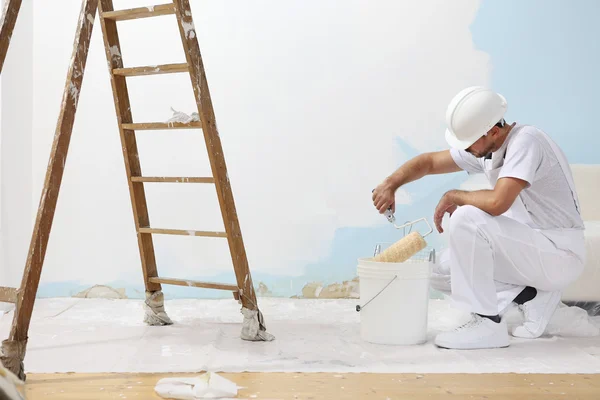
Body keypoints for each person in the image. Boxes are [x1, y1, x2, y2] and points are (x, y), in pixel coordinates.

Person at [372, 86, 585, 350]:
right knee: (439, 271)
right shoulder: (486, 148)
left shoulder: (527, 141)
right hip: (529, 250)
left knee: (467, 217)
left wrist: (456, 196)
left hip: (558, 254)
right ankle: (529, 296)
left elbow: (497, 202)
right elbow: (428, 162)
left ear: (493, 131)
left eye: (468, 143)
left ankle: (487, 324)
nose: (465, 149)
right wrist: (391, 184)